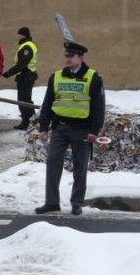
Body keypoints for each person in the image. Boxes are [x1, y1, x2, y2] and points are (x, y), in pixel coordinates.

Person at [34, 41, 105, 216]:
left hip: (82, 129)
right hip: (60, 128)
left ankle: (77, 203)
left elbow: (98, 106)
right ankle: (51, 202)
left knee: (79, 168)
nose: (67, 59)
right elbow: (47, 103)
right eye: (66, 56)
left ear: (80, 57)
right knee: (52, 163)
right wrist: (44, 127)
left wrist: (94, 131)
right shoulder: (56, 76)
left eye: (71, 56)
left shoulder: (93, 77)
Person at [0, 26, 38, 130]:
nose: (18, 37)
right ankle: (31, 122)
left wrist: (8, 73)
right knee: (25, 100)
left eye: (19, 34)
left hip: (26, 76)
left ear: (23, 35)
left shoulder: (26, 47)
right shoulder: (28, 45)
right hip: (26, 76)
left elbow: (21, 64)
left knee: (24, 101)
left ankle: (28, 122)